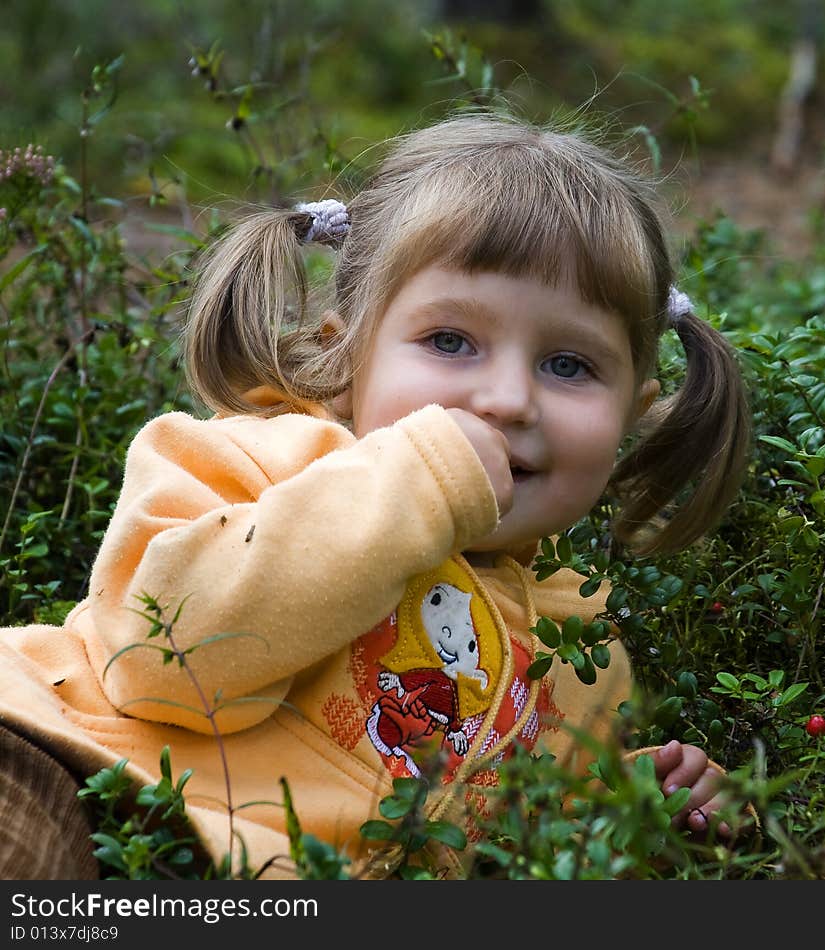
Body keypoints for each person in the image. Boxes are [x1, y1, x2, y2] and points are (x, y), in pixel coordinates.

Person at [0, 110, 752, 881]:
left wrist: (640, 807)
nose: (506, 400)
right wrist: (414, 486)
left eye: (568, 365)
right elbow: (158, 659)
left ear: (631, 410)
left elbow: (531, 837)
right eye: (450, 341)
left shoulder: (583, 649)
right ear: (347, 351)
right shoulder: (258, 459)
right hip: (62, 762)